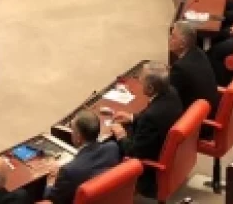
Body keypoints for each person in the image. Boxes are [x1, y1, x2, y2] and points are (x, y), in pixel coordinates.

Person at [110, 63, 184, 194]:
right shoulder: (172, 92)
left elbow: (133, 153)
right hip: (168, 153)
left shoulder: (150, 117)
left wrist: (121, 135)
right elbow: (154, 114)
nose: (139, 81)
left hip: (150, 170)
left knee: (110, 146)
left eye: (141, 80)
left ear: (150, 88)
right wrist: (132, 117)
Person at [42, 111, 121, 204]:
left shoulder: (69, 171)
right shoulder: (113, 148)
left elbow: (52, 199)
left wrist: (51, 180)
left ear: (78, 137)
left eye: (73, 130)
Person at [167, 21, 219, 116]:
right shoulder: (200, 53)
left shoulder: (180, 68)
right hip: (208, 111)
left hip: (195, 119)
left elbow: (167, 97)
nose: (169, 38)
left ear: (182, 44)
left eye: (173, 36)